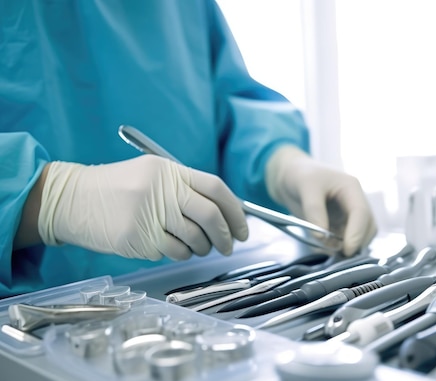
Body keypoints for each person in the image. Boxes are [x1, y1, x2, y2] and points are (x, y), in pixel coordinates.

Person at [1, 1, 377, 298]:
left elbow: (221, 102)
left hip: (194, 294)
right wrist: (49, 199)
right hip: (26, 329)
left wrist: (281, 166)